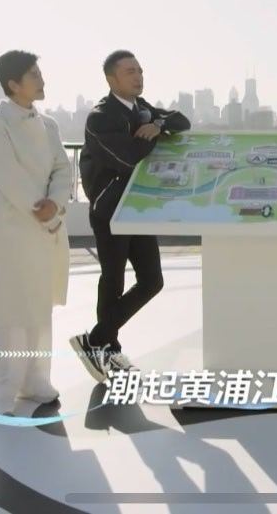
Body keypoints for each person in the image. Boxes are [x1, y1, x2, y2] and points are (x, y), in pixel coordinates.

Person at [70, 50, 190, 382]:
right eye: (129, 72)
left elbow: (182, 121)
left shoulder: (142, 109)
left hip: (137, 207)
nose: (138, 76)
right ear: (111, 79)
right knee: (113, 280)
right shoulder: (100, 118)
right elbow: (127, 158)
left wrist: (157, 124)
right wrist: (153, 133)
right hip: (110, 210)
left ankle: (96, 340)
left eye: (139, 70)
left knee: (152, 281)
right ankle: (109, 349)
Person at [0, 50, 71, 415]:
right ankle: (2, 391)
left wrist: (55, 203)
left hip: (43, 225)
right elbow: (6, 172)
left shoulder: (50, 125)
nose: (42, 80)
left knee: (37, 304)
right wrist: (41, 208)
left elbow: (63, 169)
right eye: (34, 74)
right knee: (5, 307)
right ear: (13, 84)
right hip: (7, 226)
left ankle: (35, 381)